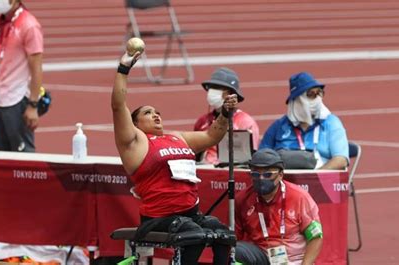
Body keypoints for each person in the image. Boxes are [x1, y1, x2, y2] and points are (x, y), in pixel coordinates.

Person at [112, 51, 236, 264]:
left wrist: (224, 113)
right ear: (134, 123)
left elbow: (212, 135)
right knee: (194, 236)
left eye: (157, 112)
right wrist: (124, 69)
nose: (156, 115)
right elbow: (117, 106)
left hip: (190, 214)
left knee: (222, 234)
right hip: (159, 218)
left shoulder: (176, 137)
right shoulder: (135, 142)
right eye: (148, 113)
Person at [235, 149, 323, 265]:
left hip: (295, 261)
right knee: (236, 252)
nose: (261, 179)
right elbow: (234, 238)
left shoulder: (299, 197)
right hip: (262, 258)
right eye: (255, 174)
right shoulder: (243, 199)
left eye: (267, 174)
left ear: (280, 175)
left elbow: (316, 237)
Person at [0, 0, 43, 152]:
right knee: (3, 156)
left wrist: (33, 105)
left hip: (17, 99)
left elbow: (36, 67)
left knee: (23, 156)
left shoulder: (29, 25)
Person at [259, 72, 348, 169]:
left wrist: (314, 177)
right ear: (297, 100)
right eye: (311, 94)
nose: (318, 99)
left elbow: (341, 159)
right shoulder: (278, 126)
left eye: (319, 93)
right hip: (285, 180)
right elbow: (261, 158)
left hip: (321, 181)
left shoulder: (331, 123)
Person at [194, 67, 259, 165]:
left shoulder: (246, 122)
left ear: (230, 93)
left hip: (231, 171)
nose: (212, 91)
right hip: (203, 170)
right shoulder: (202, 121)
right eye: (211, 87)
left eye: (218, 88)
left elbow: (250, 159)